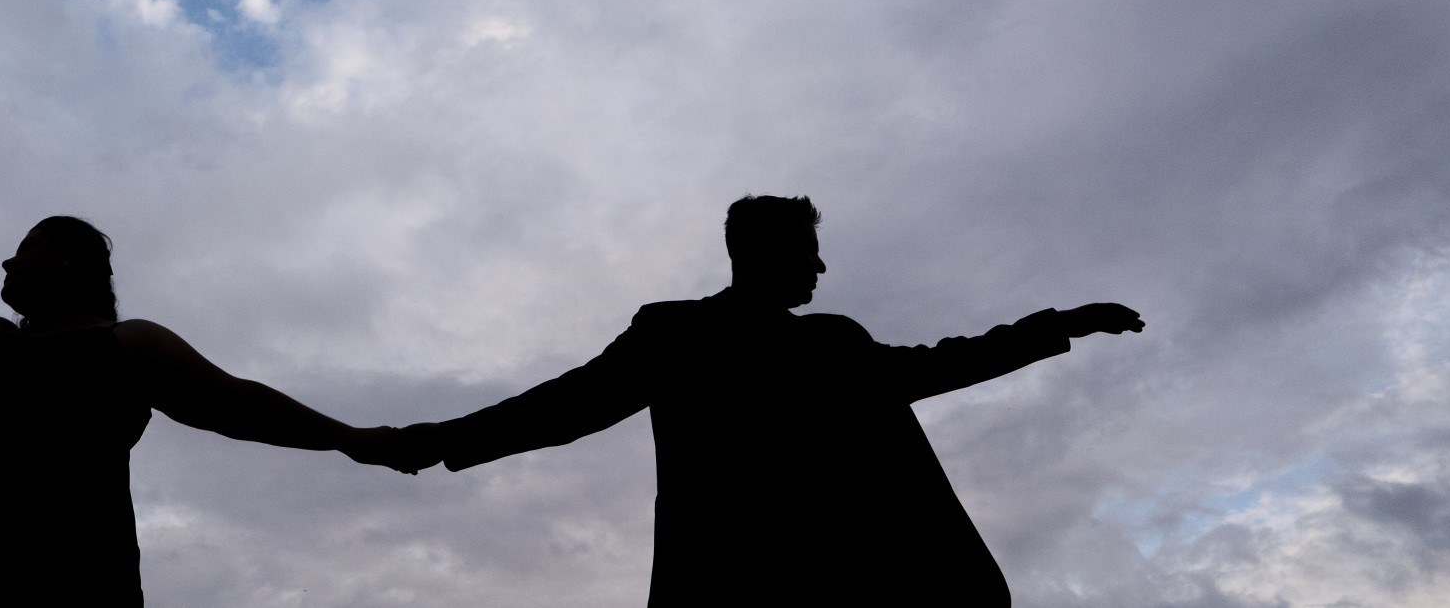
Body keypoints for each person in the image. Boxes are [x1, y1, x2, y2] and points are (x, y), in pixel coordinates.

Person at [393, 195, 1144, 606]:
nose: (822, 266)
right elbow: (565, 406)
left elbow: (941, 363)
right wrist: (424, 441)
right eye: (807, 251)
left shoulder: (835, 340)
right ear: (759, 255)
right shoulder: (674, 331)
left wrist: (1059, 325)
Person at [0, 183, 415, 607]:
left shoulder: (126, 345)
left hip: (72, 578)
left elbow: (235, 401)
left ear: (66, 261)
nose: (6, 262)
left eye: (23, 249)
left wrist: (353, 438)